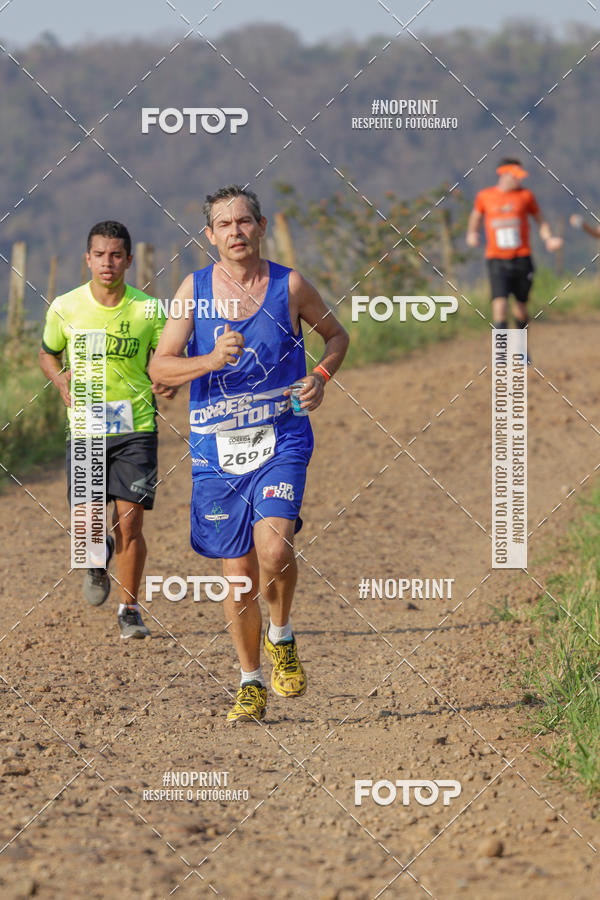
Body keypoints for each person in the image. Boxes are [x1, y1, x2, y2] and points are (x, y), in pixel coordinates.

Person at [149, 185, 349, 723]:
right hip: (217, 446)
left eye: (244, 221)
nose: (235, 232)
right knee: (237, 574)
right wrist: (209, 359)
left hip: (282, 435)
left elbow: (335, 336)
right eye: (224, 224)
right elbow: (161, 368)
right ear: (209, 235)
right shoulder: (192, 291)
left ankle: (281, 637)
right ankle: (249, 680)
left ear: (260, 226)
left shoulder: (291, 285)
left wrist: (321, 377)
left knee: (274, 549)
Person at [39, 220, 175, 639]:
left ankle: (129, 610)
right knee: (87, 526)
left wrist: (166, 378)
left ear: (129, 261)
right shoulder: (65, 306)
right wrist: (59, 378)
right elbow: (48, 353)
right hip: (85, 428)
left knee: (130, 523)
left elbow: (168, 356)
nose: (108, 263)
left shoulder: (149, 310)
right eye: (100, 254)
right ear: (88, 259)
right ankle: (97, 562)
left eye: (116, 255)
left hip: (136, 426)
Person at [466, 158, 563, 340]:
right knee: (500, 306)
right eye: (515, 176)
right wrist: (472, 233)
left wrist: (549, 239)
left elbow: (540, 220)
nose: (519, 180)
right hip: (496, 258)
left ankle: (520, 351)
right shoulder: (485, 196)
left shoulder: (526, 196)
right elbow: (475, 217)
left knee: (520, 308)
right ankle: (501, 356)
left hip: (522, 258)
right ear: (503, 175)